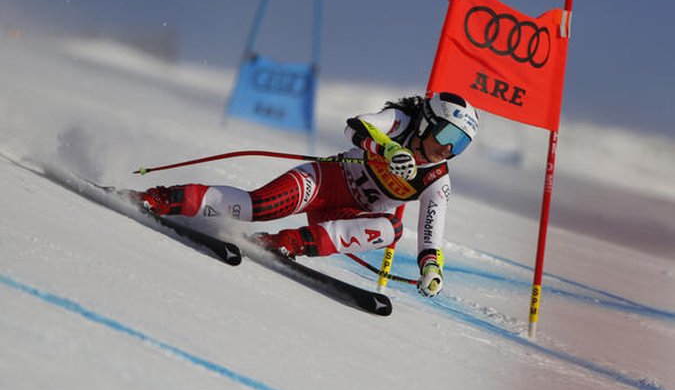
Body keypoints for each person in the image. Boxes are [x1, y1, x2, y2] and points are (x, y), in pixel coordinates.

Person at [141, 92, 479, 297]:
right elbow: (355, 125)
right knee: (255, 205)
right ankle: (160, 199)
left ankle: (284, 242)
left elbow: (431, 233)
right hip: (324, 182)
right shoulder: (402, 121)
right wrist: (386, 148)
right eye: (446, 133)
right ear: (427, 122)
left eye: (460, 144)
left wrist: (431, 268)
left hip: (346, 217)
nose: (447, 148)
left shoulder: (437, 178)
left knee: (392, 229)